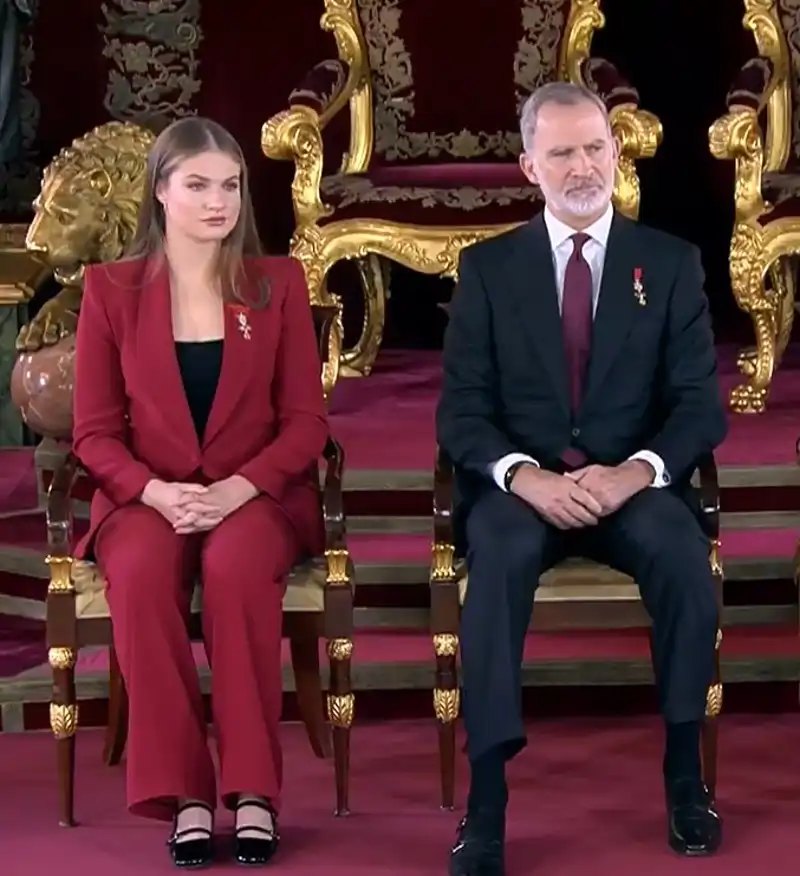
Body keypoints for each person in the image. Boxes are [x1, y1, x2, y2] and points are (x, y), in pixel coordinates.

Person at [436, 81, 727, 875]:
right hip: (524, 492)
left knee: (683, 562)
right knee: (491, 567)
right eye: (561, 151)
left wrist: (638, 472)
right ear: (529, 165)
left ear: (616, 152)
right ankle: (486, 802)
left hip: (630, 488)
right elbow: (461, 414)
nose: (582, 166)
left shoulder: (669, 264)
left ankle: (685, 781)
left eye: (595, 147)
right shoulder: (489, 269)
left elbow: (701, 407)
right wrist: (521, 477)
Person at [72, 116, 328, 868]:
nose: (218, 202)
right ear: (161, 191)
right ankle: (185, 794)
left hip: (255, 497)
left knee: (236, 571)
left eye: (230, 186)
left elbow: (307, 424)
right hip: (143, 499)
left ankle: (252, 792)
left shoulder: (276, 283)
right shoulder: (110, 291)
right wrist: (152, 492)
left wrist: (240, 489)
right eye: (197, 185)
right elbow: (92, 433)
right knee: (145, 575)